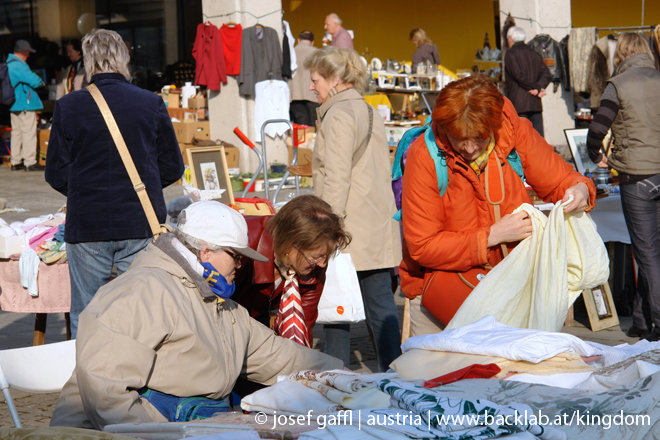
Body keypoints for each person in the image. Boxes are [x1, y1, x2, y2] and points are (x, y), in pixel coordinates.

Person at [49, 201, 343, 430]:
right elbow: (106, 394)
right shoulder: (141, 291)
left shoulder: (218, 303)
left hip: (193, 424)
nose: (240, 266)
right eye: (236, 256)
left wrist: (344, 376)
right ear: (205, 252)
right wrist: (157, 435)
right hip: (143, 429)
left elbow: (274, 353)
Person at [400, 74, 595, 336]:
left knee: (515, 374)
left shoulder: (515, 132)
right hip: (443, 294)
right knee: (443, 375)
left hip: (515, 287)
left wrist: (579, 188)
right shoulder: (424, 155)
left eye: (479, 138)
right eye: (459, 139)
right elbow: (423, 246)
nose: (469, 148)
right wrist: (492, 236)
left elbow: (560, 180)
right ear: (445, 127)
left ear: (494, 125)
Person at [44, 29, 184, 339]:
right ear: (125, 59)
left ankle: (89, 383)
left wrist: (84, 190)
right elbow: (173, 166)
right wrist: (140, 189)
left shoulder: (68, 106)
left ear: (88, 62)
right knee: (141, 311)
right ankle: (139, 381)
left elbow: (55, 172)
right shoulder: (151, 102)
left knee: (87, 312)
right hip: (139, 222)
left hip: (88, 224)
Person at [304, 46, 402, 372]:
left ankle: (336, 378)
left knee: (335, 310)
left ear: (334, 79)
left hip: (346, 227)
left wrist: (325, 231)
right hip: (374, 222)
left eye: (315, 79)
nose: (311, 86)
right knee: (380, 305)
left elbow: (336, 179)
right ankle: (396, 375)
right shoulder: (366, 109)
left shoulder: (338, 115)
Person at [586, 33, 660, 342]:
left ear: (621, 54)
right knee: (653, 254)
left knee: (647, 255)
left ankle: (656, 323)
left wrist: (597, 156)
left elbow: (596, 131)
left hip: (637, 177)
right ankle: (642, 322)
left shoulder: (618, 85)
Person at [233, 195, 352, 349]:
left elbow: (304, 322)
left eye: (326, 256)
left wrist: (303, 364)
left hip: (256, 318)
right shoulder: (244, 244)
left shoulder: (315, 261)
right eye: (316, 257)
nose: (322, 264)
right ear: (288, 245)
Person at [504, 26, 552, 137]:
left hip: (519, 103)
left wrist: (536, 88)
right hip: (535, 102)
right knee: (538, 138)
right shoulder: (534, 54)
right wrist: (538, 88)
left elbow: (517, 75)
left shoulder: (511, 54)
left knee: (521, 138)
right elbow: (547, 74)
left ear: (510, 38)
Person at [6, 39, 44, 171]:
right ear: (22, 51)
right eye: (27, 52)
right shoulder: (19, 65)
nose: (28, 55)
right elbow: (34, 80)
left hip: (13, 104)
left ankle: (15, 161)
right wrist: (41, 82)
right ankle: (29, 161)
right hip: (25, 103)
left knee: (16, 132)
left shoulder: (8, 63)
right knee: (28, 132)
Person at [289, 31, 320, 126]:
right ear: (312, 42)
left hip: (295, 97)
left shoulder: (290, 52)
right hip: (313, 96)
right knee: (314, 128)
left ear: (298, 40)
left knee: (301, 130)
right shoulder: (317, 52)